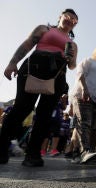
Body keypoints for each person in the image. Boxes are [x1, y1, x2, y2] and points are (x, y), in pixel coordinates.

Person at [0, 9, 78, 166]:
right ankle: (1, 148)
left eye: (74, 20)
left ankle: (33, 155)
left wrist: (70, 57)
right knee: (22, 108)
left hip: (57, 75)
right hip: (34, 67)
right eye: (67, 16)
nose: (70, 20)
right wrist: (12, 62)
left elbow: (72, 66)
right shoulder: (45, 29)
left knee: (45, 114)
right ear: (60, 17)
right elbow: (28, 44)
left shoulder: (72, 44)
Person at [70, 44, 96, 164]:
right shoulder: (89, 61)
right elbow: (80, 73)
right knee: (84, 123)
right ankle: (85, 152)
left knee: (93, 127)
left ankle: (77, 153)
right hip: (84, 96)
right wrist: (84, 88)